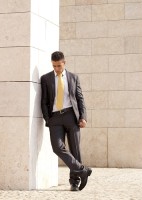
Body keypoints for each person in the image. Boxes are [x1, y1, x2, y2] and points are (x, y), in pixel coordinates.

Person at [40, 51, 92, 191]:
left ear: (64, 63)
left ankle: (74, 182)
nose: (56, 69)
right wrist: (48, 119)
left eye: (59, 66)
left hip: (71, 116)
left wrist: (83, 117)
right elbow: (44, 101)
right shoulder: (45, 79)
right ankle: (82, 170)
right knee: (57, 147)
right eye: (54, 66)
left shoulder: (73, 77)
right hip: (55, 117)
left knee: (75, 149)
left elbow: (80, 98)